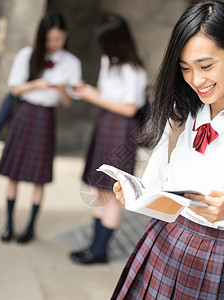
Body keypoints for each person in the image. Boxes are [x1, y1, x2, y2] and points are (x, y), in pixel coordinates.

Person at [111, 1, 224, 298]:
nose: (197, 80)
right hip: (162, 240)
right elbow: (160, 194)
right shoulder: (181, 115)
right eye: (186, 69)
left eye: (206, 66)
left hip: (217, 259)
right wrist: (133, 195)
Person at [0, 12, 82, 244]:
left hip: (46, 117)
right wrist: (37, 83)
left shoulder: (72, 62)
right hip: (24, 114)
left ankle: (30, 227)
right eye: (50, 39)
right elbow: (14, 90)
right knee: (13, 174)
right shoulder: (27, 54)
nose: (55, 44)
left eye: (59, 39)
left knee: (39, 177)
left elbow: (68, 103)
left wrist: (61, 90)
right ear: (41, 37)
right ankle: (9, 224)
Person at [69, 14, 147, 264]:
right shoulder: (109, 61)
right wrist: (87, 90)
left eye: (103, 40)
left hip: (121, 129)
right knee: (98, 189)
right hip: (106, 124)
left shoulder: (133, 70)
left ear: (114, 41)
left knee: (110, 192)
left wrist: (92, 97)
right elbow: (107, 94)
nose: (99, 44)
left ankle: (99, 250)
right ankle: (94, 246)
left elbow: (129, 108)